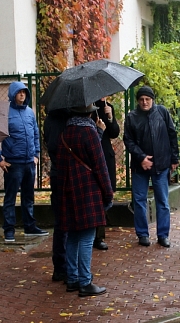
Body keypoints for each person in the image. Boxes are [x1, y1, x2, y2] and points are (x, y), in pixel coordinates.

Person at [56, 104, 113, 297]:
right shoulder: (89, 132)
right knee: (87, 238)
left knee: (72, 236)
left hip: (68, 191)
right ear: (89, 112)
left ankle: (72, 279)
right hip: (88, 192)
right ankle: (85, 281)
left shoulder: (66, 132)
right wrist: (108, 192)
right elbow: (100, 165)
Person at [123, 86, 180, 247]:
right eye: (141, 99)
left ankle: (163, 235)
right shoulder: (132, 117)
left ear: (152, 100)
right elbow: (128, 140)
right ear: (138, 101)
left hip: (161, 165)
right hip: (139, 167)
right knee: (139, 200)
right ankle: (142, 234)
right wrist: (141, 157)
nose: (144, 102)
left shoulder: (162, 112)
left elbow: (172, 134)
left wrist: (174, 158)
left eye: (147, 99)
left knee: (162, 201)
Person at [0, 81, 48, 242]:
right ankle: (9, 230)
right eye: (19, 92)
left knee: (28, 197)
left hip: (29, 163)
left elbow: (36, 134)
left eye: (24, 92)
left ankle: (30, 226)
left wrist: (36, 154)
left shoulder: (30, 113)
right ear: (13, 94)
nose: (22, 95)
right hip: (13, 163)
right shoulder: (5, 113)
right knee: (10, 198)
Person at [44, 108, 69, 282]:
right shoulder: (65, 120)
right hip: (64, 174)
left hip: (57, 173)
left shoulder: (50, 119)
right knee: (65, 223)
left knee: (61, 223)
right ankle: (64, 267)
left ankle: (61, 267)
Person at [92, 98, 120, 250]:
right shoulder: (87, 108)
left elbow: (114, 132)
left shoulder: (108, 107)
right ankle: (93, 234)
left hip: (106, 157)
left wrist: (110, 117)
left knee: (105, 196)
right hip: (92, 157)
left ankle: (99, 236)